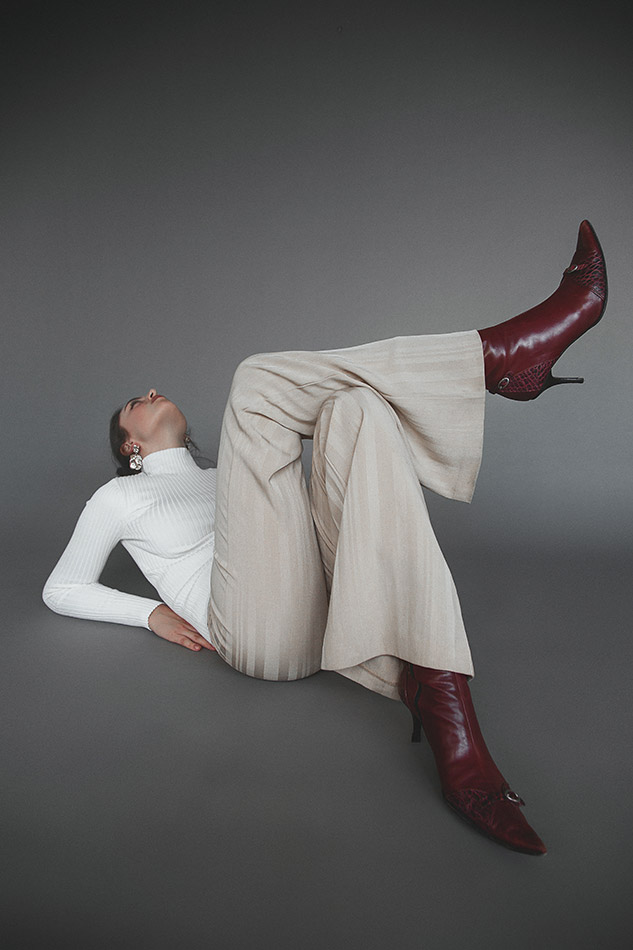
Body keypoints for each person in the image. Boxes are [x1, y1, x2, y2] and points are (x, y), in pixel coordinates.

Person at [43, 220, 607, 856]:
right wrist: (149, 613)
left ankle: (441, 701)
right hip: (260, 636)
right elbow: (61, 586)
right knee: (256, 380)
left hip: (337, 616)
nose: (149, 394)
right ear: (131, 447)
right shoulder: (120, 496)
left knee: (356, 408)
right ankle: (497, 360)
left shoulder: (226, 477)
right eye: (134, 405)